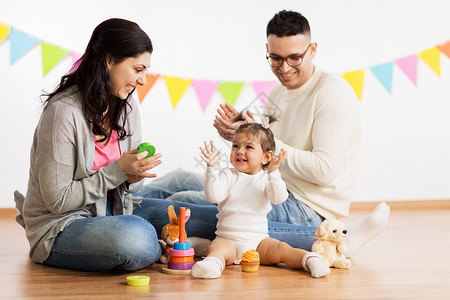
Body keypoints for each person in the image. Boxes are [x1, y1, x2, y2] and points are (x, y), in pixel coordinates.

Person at [136, 10, 390, 257]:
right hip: (269, 185)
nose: (284, 67)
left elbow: (324, 171)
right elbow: (265, 161)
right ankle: (117, 202)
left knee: (184, 199)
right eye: (275, 58)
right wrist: (245, 137)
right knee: (179, 178)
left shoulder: (332, 93)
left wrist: (264, 145)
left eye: (294, 58)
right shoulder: (279, 92)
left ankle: (332, 237)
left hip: (306, 206)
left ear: (312, 50)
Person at [13, 18, 165, 272]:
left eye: (145, 71)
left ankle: (169, 239)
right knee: (136, 238)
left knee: (204, 215)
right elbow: (58, 201)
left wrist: (134, 173)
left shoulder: (126, 104)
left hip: (116, 209)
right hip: (63, 225)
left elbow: (133, 187)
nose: (142, 80)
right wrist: (118, 170)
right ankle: (168, 242)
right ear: (109, 61)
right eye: (138, 70)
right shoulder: (63, 112)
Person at [190, 116, 330, 279]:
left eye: (248, 147)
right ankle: (212, 265)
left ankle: (311, 260)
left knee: (283, 249)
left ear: (266, 157)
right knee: (215, 248)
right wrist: (212, 170)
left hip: (258, 242)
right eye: (235, 146)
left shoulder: (266, 178)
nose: (240, 151)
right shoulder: (228, 175)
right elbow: (213, 196)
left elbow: (279, 198)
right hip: (227, 240)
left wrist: (273, 173)